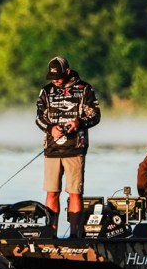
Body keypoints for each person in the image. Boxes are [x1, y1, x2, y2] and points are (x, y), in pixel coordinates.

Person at [35, 55, 101, 238]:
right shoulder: (46, 91)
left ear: (68, 72)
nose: (55, 80)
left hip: (76, 148)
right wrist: (51, 128)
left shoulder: (85, 89)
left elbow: (95, 116)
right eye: (52, 77)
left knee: (75, 193)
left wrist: (79, 123)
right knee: (52, 192)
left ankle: (74, 236)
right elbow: (39, 118)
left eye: (58, 76)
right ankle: (50, 234)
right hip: (52, 149)